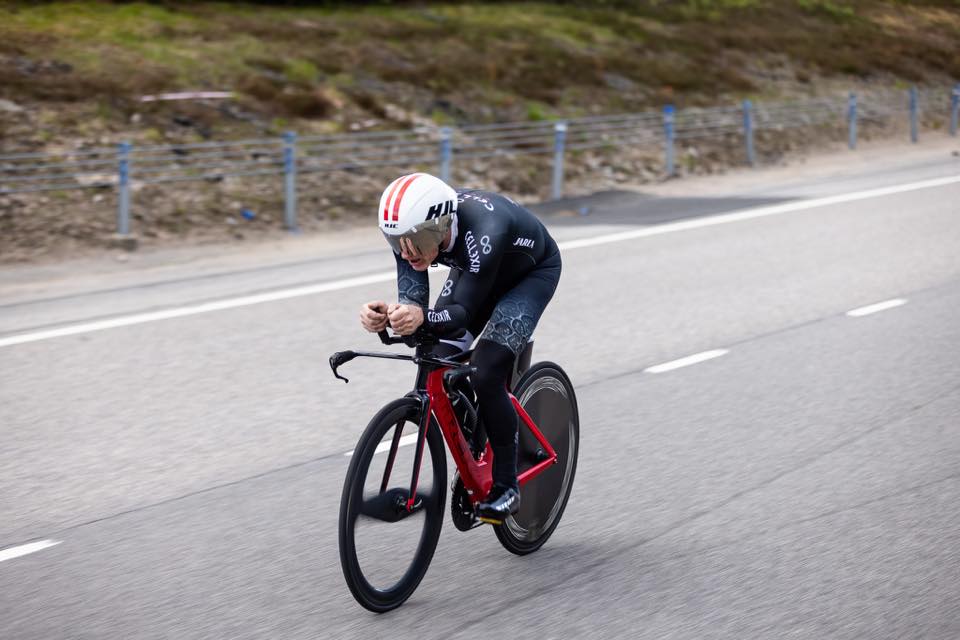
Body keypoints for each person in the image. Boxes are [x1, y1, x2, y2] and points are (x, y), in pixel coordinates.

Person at [359, 172, 562, 524]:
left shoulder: (486, 229)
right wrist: (390, 316)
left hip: (528, 276)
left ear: (440, 225)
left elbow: (461, 314)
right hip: (476, 271)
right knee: (434, 353)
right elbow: (416, 307)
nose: (405, 252)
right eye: (395, 241)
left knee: (487, 371)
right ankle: (474, 446)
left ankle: (506, 484)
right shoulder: (413, 234)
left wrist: (419, 317)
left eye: (413, 240)